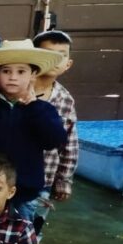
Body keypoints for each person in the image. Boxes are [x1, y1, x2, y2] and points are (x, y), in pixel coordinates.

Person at [0, 40, 67, 222]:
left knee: (22, 237)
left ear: (33, 75)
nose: (13, 77)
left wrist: (34, 107)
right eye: (6, 71)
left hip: (25, 191)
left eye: (21, 72)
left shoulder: (43, 109)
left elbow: (54, 139)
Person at [31, 29, 79, 231]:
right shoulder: (14, 89)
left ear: (68, 64)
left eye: (62, 54)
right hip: (7, 176)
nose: (55, 59)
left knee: (33, 231)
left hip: (44, 179)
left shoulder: (65, 99)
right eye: (48, 53)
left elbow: (70, 143)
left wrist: (63, 180)